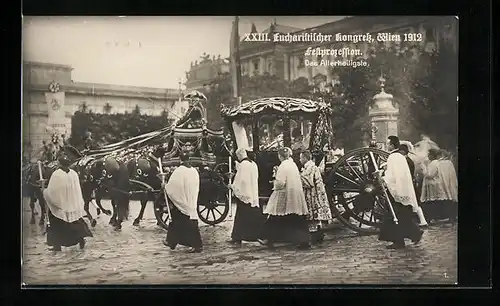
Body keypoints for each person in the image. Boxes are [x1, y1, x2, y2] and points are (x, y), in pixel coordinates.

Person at [259, 147, 311, 250]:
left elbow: (280, 183)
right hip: (295, 193)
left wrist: (274, 183)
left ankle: (268, 238)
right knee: (296, 217)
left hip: (285, 194)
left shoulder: (283, 166)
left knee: (275, 214)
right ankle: (304, 240)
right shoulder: (293, 164)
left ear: (280, 156)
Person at [377, 136, 423, 249]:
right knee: (402, 215)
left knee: (395, 215)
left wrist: (382, 177)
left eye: (388, 144)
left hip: (396, 191)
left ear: (392, 145)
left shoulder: (393, 157)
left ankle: (400, 240)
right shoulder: (400, 156)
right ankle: (413, 234)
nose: (387, 146)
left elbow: (393, 175)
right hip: (402, 189)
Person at [43, 155, 93, 252]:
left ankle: (57, 245)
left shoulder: (57, 174)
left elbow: (53, 191)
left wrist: (45, 191)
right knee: (75, 221)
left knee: (56, 223)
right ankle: (80, 239)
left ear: (59, 163)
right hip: (72, 202)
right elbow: (77, 189)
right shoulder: (73, 173)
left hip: (60, 204)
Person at [162, 152, 203, 253]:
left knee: (182, 221)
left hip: (182, 200)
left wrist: (165, 186)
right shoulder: (194, 170)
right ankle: (171, 241)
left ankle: (197, 245)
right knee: (176, 220)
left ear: (180, 159)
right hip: (191, 198)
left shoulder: (179, 171)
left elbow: (173, 186)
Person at [227, 148, 265, 246]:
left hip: (245, 193)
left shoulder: (243, 165)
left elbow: (241, 181)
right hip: (252, 192)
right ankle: (237, 236)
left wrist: (233, 186)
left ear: (239, 155)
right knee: (243, 215)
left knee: (241, 215)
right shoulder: (253, 164)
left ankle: (241, 236)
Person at [299, 150, 333, 244]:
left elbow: (308, 182)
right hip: (316, 193)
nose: (300, 160)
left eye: (301, 158)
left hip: (312, 194)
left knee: (312, 215)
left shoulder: (310, 167)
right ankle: (318, 235)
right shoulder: (312, 166)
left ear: (305, 158)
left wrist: (299, 176)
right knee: (316, 216)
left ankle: (315, 237)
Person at [420, 149, 457, 223]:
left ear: (432, 155)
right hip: (433, 185)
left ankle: (433, 217)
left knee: (435, 201)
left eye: (429, 155)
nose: (428, 156)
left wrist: (423, 167)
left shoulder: (434, 163)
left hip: (434, 185)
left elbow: (429, 174)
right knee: (438, 201)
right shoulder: (436, 163)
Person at [399, 144, 428, 227]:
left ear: (403, 151)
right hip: (411, 182)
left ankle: (422, 221)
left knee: (414, 202)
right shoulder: (408, 160)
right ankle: (422, 221)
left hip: (409, 183)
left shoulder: (406, 161)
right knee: (414, 202)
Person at [437, 149, 458, 223]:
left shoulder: (443, 163)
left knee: (449, 199)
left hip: (446, 182)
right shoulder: (448, 163)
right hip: (449, 182)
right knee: (451, 198)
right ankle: (452, 217)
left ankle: (452, 217)